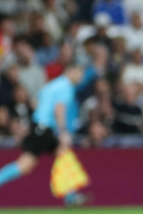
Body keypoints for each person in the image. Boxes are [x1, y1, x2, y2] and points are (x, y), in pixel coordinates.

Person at [0, 65, 89, 206]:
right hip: (44, 128)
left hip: (40, 126)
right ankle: (70, 197)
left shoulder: (53, 84)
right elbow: (59, 108)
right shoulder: (66, 87)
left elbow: (36, 102)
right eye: (79, 72)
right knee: (25, 165)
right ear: (70, 71)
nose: (81, 77)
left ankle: (71, 197)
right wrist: (63, 132)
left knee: (62, 154)